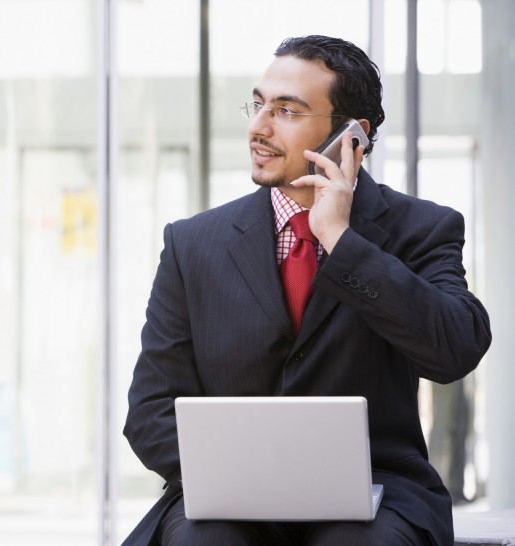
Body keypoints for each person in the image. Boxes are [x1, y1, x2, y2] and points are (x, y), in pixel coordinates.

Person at [122, 35, 491, 546]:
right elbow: (149, 411)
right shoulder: (192, 244)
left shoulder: (421, 229)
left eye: (287, 111)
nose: (258, 126)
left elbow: (456, 349)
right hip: (226, 498)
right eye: (257, 105)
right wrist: (246, 480)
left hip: (377, 491)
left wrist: (341, 240)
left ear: (352, 136)